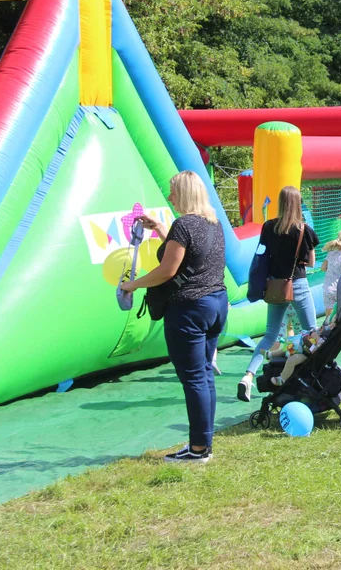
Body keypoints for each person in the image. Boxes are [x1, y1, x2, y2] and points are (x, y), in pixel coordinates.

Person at [119, 171, 227, 462]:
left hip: (189, 309)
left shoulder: (184, 224)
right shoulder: (213, 223)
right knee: (204, 375)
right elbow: (189, 253)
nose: (170, 197)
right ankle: (203, 444)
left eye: (173, 192)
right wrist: (159, 229)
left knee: (193, 378)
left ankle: (198, 450)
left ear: (185, 194)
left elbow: (168, 270)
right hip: (216, 303)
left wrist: (132, 284)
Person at [237, 185, 320, 403]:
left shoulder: (268, 226)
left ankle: (248, 376)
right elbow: (310, 262)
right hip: (298, 284)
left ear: (281, 203)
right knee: (312, 331)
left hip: (274, 286)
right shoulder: (304, 229)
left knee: (270, 335)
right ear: (298, 203)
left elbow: (264, 255)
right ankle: (316, 377)